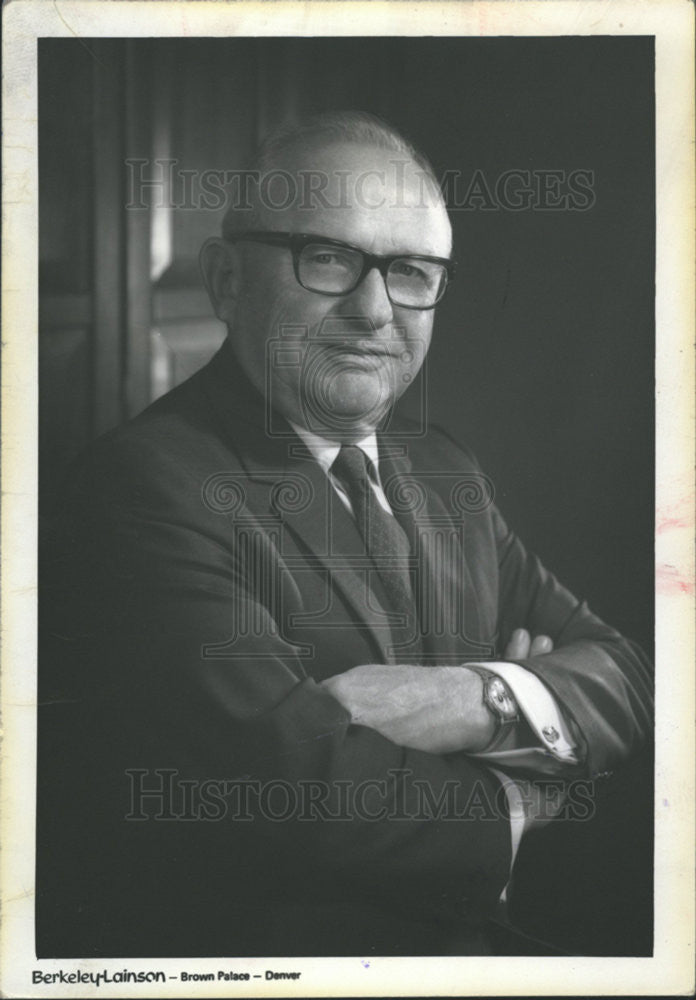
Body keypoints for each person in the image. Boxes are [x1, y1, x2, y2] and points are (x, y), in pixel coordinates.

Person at [38, 111, 653, 958]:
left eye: (410, 272)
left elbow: (629, 673)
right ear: (226, 281)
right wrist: (529, 791)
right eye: (327, 258)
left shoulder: (446, 472)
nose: (374, 309)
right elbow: (304, 798)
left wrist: (479, 698)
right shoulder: (141, 490)